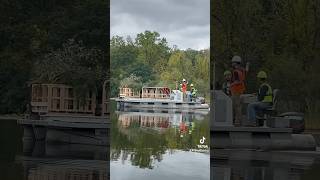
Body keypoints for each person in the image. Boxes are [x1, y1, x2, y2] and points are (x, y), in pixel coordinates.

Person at [230, 55, 248, 126]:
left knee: (236, 106)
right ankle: (238, 121)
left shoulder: (236, 72)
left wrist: (231, 85)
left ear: (235, 63)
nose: (232, 64)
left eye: (233, 63)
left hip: (236, 90)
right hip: (241, 90)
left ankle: (237, 122)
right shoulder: (242, 70)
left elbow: (238, 81)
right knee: (239, 106)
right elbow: (246, 71)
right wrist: (247, 65)